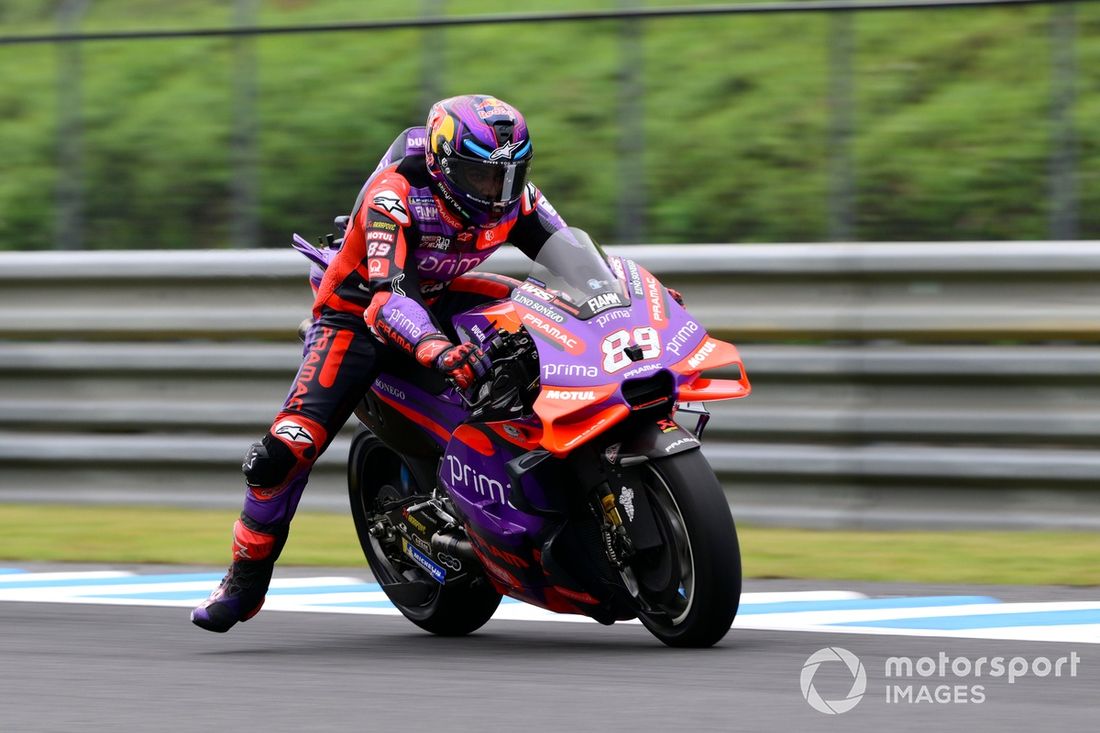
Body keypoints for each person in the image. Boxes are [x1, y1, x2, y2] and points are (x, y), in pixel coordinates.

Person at [191, 94, 570, 633]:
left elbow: (572, 253)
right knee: (283, 450)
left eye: (509, 176)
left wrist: (609, 298)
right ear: (443, 164)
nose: (497, 193)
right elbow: (387, 297)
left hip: (441, 293)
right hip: (356, 316)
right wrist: (436, 349)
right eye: (482, 177)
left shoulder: (516, 196)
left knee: (545, 312)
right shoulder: (394, 195)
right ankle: (245, 578)